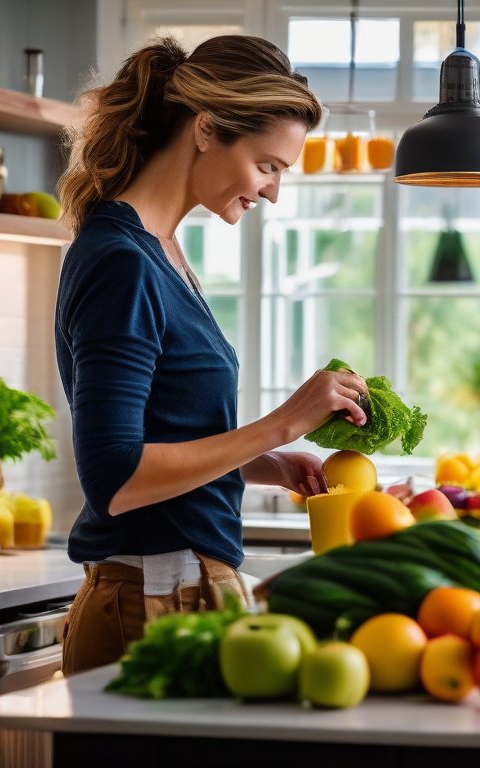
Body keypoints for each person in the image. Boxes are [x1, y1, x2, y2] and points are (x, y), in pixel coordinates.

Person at [53, 35, 368, 675]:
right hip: (151, 597)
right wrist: (282, 422)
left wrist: (268, 461)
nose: (273, 191)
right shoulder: (122, 261)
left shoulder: (161, 250)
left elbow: (163, 437)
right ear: (205, 130)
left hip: (183, 588)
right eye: (268, 165)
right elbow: (114, 479)